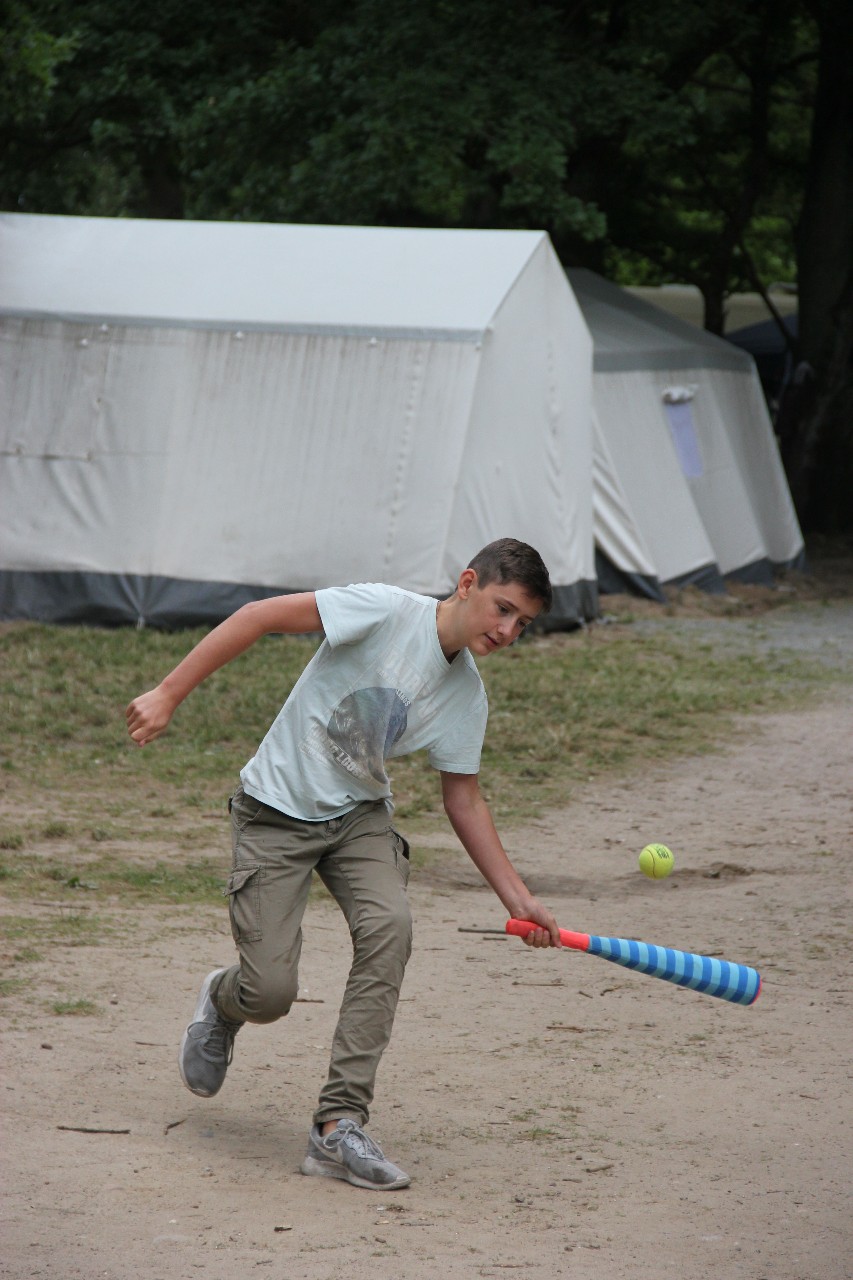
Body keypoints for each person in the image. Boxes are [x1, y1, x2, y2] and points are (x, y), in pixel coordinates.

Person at [126, 538, 561, 1191]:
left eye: (522, 624)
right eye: (503, 609)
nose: (506, 631)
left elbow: (464, 799)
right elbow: (258, 616)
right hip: (275, 811)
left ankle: (338, 1125)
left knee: (391, 928)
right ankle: (223, 999)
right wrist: (167, 693)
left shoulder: (466, 696)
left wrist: (517, 898)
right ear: (468, 582)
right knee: (269, 993)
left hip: (359, 818)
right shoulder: (382, 610)